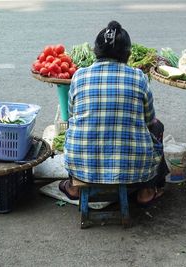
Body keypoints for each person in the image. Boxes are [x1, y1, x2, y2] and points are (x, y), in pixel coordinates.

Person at [59, 20, 169, 205]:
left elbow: (70, 117)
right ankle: (146, 191)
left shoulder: (79, 76)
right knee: (157, 127)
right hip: (133, 169)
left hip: (81, 166)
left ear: (96, 50)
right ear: (127, 54)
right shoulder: (138, 77)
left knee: (74, 129)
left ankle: (74, 187)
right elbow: (149, 120)